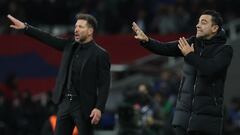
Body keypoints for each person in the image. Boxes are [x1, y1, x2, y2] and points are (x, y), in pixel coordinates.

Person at [132, 10, 233, 135]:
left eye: (203, 22)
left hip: (206, 121)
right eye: (198, 22)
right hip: (182, 119)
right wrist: (146, 40)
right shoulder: (191, 43)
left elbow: (210, 69)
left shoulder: (224, 50)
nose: (198, 25)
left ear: (214, 28)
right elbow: (166, 48)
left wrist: (190, 55)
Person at [7, 13, 111, 135]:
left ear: (90, 31)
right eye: (76, 26)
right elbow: (48, 38)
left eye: (81, 27)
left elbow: (105, 84)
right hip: (65, 103)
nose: (76, 30)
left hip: (84, 106)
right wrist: (26, 28)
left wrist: (99, 108)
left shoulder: (100, 54)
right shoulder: (69, 45)